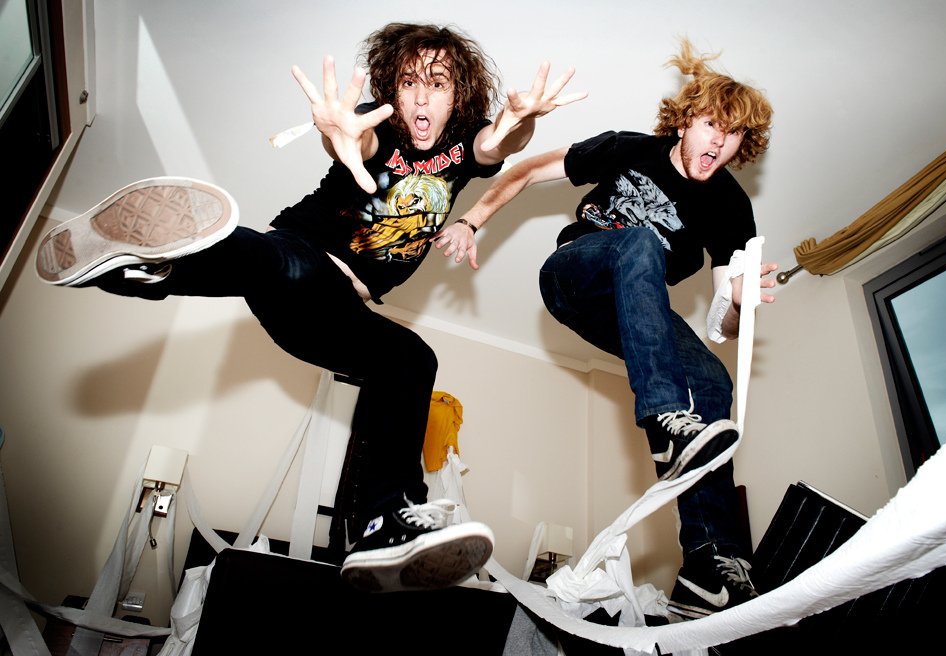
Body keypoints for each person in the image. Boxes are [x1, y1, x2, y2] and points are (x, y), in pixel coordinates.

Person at [34, 22, 585, 594]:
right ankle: (153, 266)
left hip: (330, 318)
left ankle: (383, 524)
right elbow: (357, 143)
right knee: (284, 264)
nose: (421, 99)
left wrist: (523, 120)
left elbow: (498, 145)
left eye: (438, 84)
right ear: (392, 92)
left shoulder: (464, 143)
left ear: (458, 96)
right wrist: (340, 137)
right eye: (408, 83)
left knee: (411, 359)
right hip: (301, 259)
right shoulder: (378, 127)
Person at [436, 38, 777, 619]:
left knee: (711, 380)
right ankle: (663, 419)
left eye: (734, 135)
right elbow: (528, 171)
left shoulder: (729, 207)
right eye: (710, 126)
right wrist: (471, 220)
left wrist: (739, 301)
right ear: (684, 122)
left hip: (632, 315)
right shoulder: (628, 148)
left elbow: (721, 319)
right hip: (575, 277)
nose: (719, 143)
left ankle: (707, 563)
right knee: (640, 243)